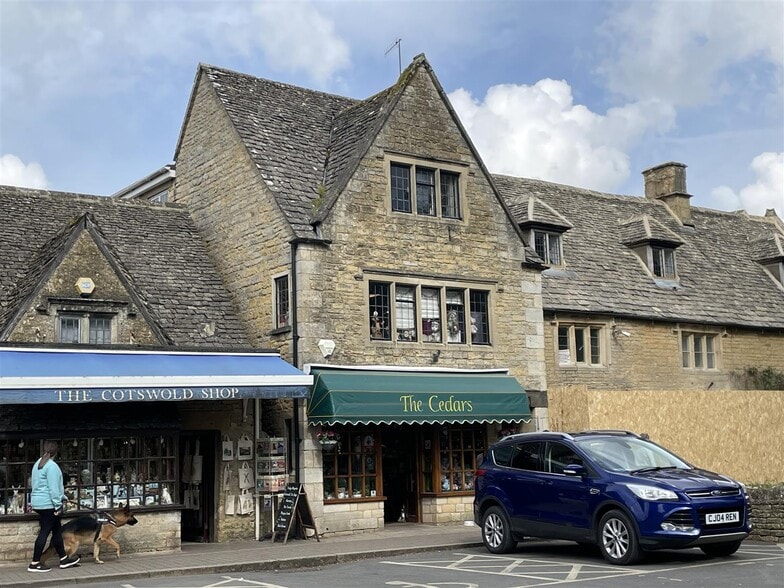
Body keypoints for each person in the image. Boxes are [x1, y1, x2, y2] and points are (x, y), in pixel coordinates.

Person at [28, 441, 80, 573]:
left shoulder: (37, 464)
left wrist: (62, 497)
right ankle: (34, 563)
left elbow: (41, 485)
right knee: (44, 532)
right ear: (56, 452)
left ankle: (63, 559)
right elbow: (53, 488)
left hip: (38, 502)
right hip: (48, 504)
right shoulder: (52, 467)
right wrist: (58, 505)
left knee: (57, 531)